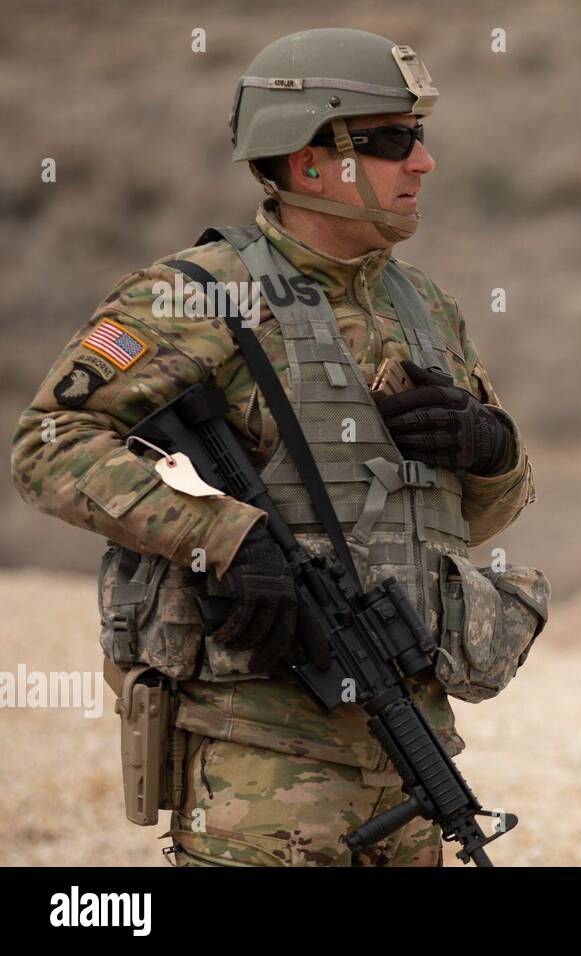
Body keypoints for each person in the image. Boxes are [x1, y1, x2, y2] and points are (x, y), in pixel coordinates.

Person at [9, 28, 542, 867]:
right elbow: (48, 445)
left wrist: (490, 450)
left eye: (420, 137)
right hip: (258, 768)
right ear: (306, 161)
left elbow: (476, 521)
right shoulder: (200, 295)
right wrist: (221, 533)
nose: (423, 163)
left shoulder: (426, 312)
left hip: (405, 760)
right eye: (392, 140)